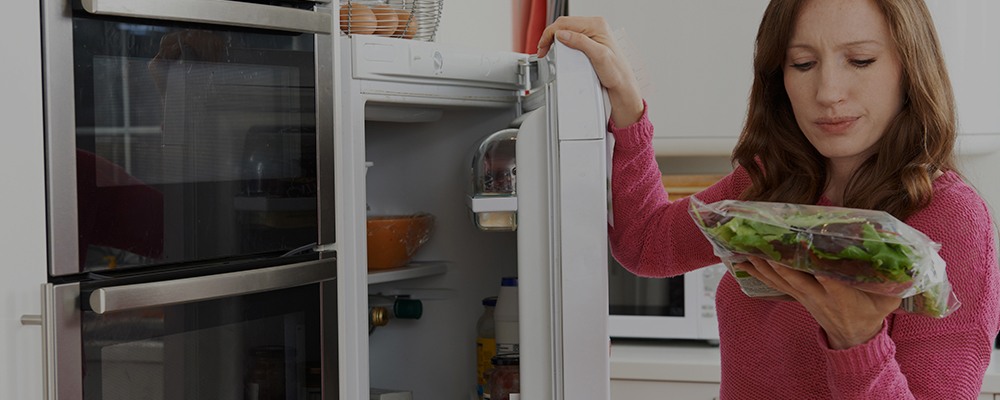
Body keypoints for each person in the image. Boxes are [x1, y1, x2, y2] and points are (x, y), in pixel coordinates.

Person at [537, 0, 1000, 399]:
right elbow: (647, 244)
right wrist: (626, 101)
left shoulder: (950, 217)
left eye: (860, 60)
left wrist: (857, 340)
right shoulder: (772, 182)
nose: (828, 93)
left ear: (910, 68)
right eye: (802, 64)